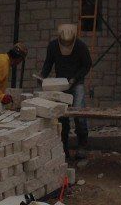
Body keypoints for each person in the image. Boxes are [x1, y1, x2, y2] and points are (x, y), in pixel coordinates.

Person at [39, 23, 92, 158]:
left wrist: (75, 78)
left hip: (76, 83)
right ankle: (63, 147)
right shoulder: (53, 46)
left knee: (78, 113)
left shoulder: (80, 46)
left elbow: (87, 65)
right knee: (62, 115)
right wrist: (42, 76)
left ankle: (82, 145)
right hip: (60, 84)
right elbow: (48, 63)